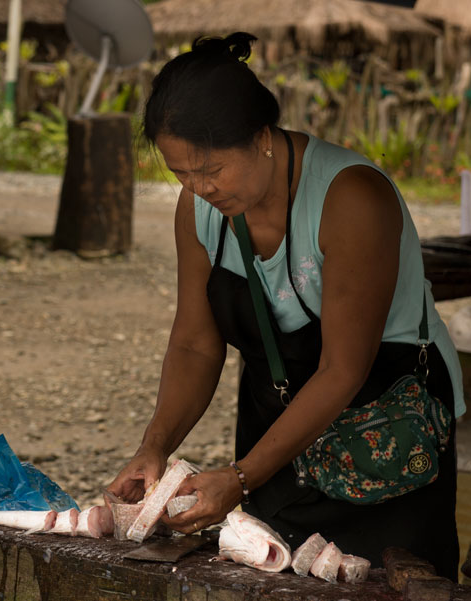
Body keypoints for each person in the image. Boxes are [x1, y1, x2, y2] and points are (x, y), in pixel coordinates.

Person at [107, 32, 464, 579]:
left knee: (386, 581)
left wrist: (242, 477)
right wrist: (154, 446)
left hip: (385, 425)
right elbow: (195, 343)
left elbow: (343, 368)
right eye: (182, 174)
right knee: (274, 575)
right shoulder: (198, 210)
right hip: (276, 427)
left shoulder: (351, 199)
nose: (200, 188)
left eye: (211, 169)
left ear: (261, 137)